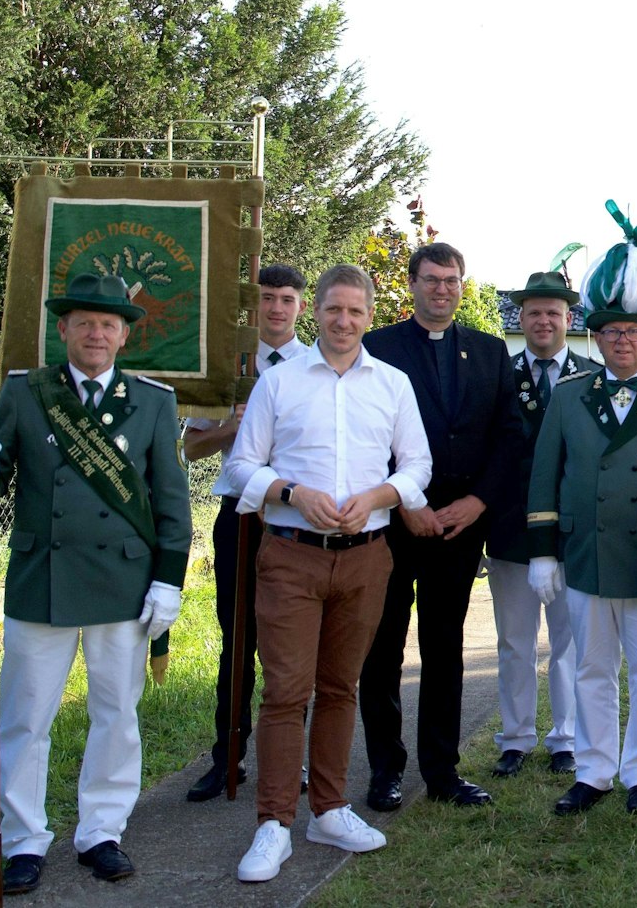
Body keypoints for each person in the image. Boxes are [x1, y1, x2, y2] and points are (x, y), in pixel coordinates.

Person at [0, 273, 192, 893]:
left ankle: (102, 832)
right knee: (25, 717)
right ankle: (23, 840)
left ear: (124, 335)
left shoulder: (153, 402)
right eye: (84, 322)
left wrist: (168, 581)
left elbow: (171, 503)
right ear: (62, 329)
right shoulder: (25, 392)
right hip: (43, 579)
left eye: (108, 324)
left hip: (122, 579)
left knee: (116, 712)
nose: (96, 333)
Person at [226, 264, 433, 884]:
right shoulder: (280, 382)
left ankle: (329, 809)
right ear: (315, 311)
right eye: (334, 309)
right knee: (286, 691)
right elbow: (241, 467)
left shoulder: (392, 384)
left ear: (369, 316)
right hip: (291, 554)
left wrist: (377, 497)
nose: (344, 321)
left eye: (355, 311)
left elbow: (417, 465)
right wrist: (292, 492)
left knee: (342, 687)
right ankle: (273, 823)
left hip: (366, 556)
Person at [525, 220, 637, 815]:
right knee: (592, 669)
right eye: (612, 331)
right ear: (595, 338)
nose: (623, 341)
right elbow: (545, 473)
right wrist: (543, 551)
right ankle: (594, 771)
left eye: (634, 331)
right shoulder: (570, 395)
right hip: (587, 555)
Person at [358, 243, 522, 811]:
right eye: (431, 280)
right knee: (382, 648)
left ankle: (441, 771)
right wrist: (404, 501)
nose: (442, 290)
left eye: (451, 281)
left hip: (459, 527)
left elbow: (508, 436)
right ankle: (385, 770)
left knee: (444, 647)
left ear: (461, 286)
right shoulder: (378, 348)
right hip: (393, 521)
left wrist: (478, 502)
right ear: (412, 284)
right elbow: (365, 437)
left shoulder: (490, 352)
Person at [183, 263, 312, 803]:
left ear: (301, 305)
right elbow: (191, 448)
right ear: (254, 304)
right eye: (267, 298)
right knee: (237, 640)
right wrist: (232, 426)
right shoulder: (230, 366)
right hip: (239, 514)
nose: (276, 308)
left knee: (291, 646)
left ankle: (291, 758)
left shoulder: (317, 365)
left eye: (286, 299)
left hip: (294, 516)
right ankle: (227, 758)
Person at [485, 271, 596, 778]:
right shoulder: (498, 376)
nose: (544, 320)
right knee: (515, 642)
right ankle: (515, 738)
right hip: (512, 532)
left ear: (568, 318)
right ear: (522, 318)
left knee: (570, 643)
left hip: (573, 534)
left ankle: (566, 739)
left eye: (553, 312)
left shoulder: (591, 378)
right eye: (534, 312)